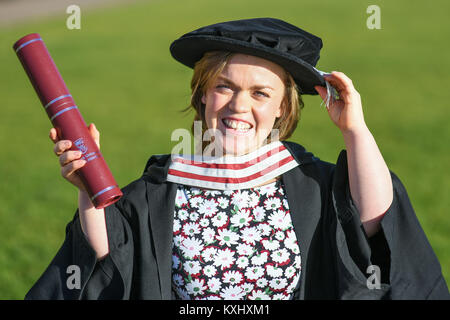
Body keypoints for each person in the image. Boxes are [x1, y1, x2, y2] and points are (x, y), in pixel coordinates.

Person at [25, 18, 449, 300]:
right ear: (202, 94)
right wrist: (87, 189)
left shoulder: (313, 187)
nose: (238, 106)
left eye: (261, 93)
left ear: (284, 108)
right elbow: (109, 263)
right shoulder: (158, 190)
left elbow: (376, 227)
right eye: (224, 87)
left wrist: (354, 129)